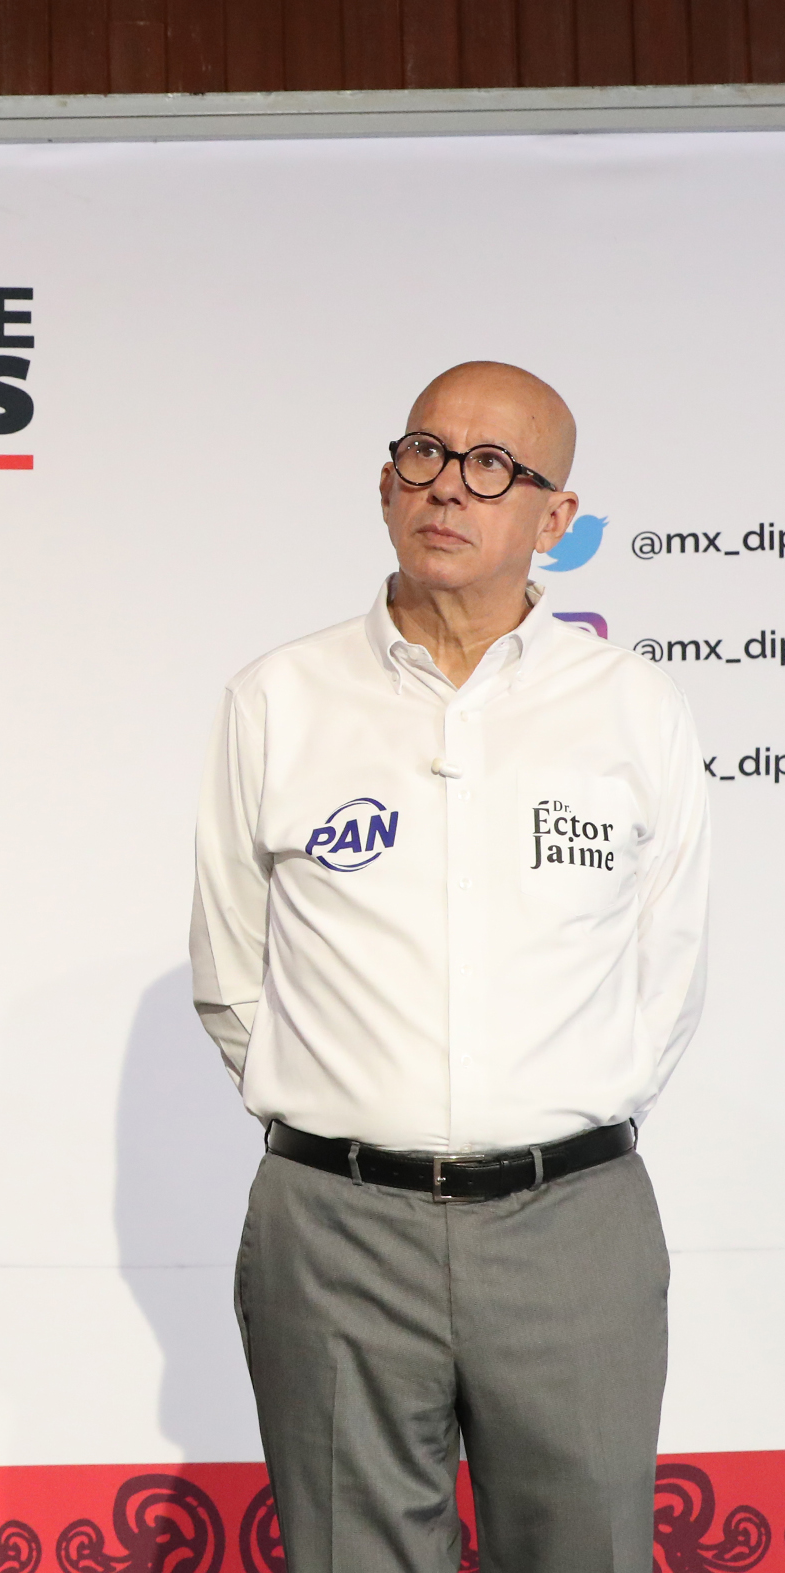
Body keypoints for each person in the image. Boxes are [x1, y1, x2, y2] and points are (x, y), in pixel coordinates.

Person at [190, 362, 708, 1572]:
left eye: (491, 467)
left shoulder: (632, 707)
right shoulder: (279, 697)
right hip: (335, 1226)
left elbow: (667, 968)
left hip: (571, 1224)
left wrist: (548, 1120)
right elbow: (230, 966)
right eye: (423, 453)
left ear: (555, 517)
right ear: (385, 482)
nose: (447, 488)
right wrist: (351, 1115)